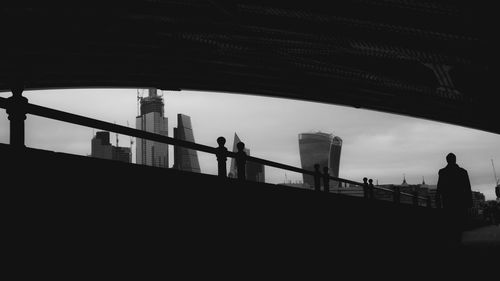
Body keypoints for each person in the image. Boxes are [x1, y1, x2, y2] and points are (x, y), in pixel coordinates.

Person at [436, 153, 473, 248]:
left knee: (449, 221)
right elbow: (467, 188)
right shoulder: (463, 172)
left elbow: (439, 187)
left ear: (447, 160)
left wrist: (437, 201)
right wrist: (469, 203)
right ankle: (457, 240)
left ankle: (451, 241)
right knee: (458, 221)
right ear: (455, 160)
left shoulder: (442, 172)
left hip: (447, 201)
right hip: (460, 202)